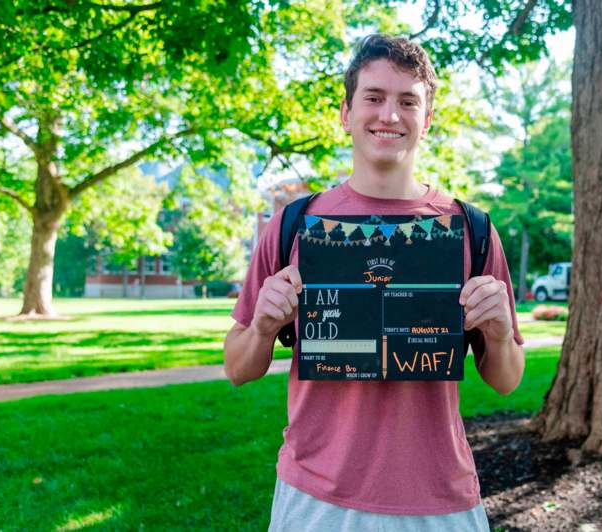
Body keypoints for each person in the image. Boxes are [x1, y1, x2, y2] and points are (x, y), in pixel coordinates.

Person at [224, 33, 525, 532]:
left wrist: (496, 333)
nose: (390, 115)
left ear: (426, 120)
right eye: (374, 98)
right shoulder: (293, 225)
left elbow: (507, 378)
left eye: (408, 101)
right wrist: (260, 328)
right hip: (315, 497)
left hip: (440, 498)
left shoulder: (468, 230)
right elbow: (237, 368)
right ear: (346, 113)